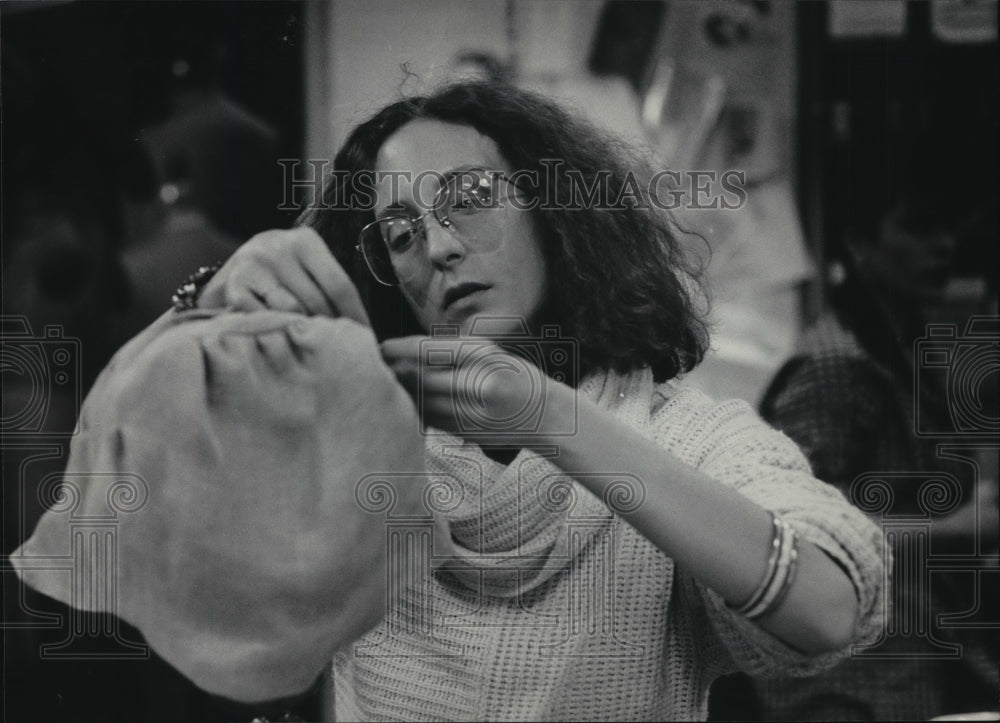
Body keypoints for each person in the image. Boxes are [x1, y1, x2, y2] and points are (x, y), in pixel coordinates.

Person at [173, 81, 886, 720]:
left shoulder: (686, 436)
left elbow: (829, 608)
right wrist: (209, 322)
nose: (441, 247)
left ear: (553, 210)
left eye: (473, 198)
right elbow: (211, 624)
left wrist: (549, 417)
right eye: (401, 233)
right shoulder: (360, 451)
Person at [752, 177, 999, 719]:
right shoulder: (838, 364)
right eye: (918, 228)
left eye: (946, 230)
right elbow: (798, 533)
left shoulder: (904, 348)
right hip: (851, 681)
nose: (943, 246)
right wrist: (957, 529)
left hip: (912, 652)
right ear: (859, 243)